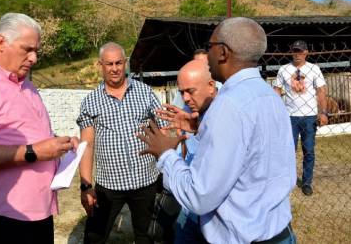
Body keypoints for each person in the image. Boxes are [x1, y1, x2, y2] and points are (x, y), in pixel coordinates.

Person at [138, 17, 297, 243]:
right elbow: (252, 156)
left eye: (210, 46)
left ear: (222, 52)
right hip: (280, 234)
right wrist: (200, 128)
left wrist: (165, 154)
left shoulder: (228, 104)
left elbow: (199, 196)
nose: (207, 55)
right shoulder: (269, 95)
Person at [0, 13, 79, 244]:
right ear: (1, 43)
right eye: (27, 49)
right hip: (3, 214)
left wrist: (60, 143)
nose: (34, 58)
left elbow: (35, 136)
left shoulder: (28, 87)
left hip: (38, 209)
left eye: (36, 50)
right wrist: (34, 152)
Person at [77, 42, 167, 244]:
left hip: (146, 180)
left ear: (125, 63)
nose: (115, 68)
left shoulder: (144, 92)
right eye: (109, 64)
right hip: (109, 186)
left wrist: (166, 168)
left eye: (119, 62)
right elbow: (87, 145)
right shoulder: (90, 102)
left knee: (147, 237)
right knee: (94, 236)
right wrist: (85, 185)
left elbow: (163, 130)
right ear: (100, 65)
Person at [168, 60, 218, 243]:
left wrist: (165, 155)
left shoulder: (228, 114)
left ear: (211, 86)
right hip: (190, 209)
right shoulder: (192, 113)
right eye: (182, 92)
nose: (186, 98)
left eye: (190, 91)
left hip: (215, 213)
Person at [274, 40, 328, 196]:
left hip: (309, 116)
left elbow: (321, 91)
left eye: (300, 51)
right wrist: (277, 112)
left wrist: (323, 112)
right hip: (289, 116)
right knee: (288, 150)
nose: (297, 54)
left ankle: (306, 182)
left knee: (309, 150)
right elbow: (277, 90)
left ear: (306, 52)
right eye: (294, 50)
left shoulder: (314, 69)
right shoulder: (284, 69)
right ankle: (287, 180)